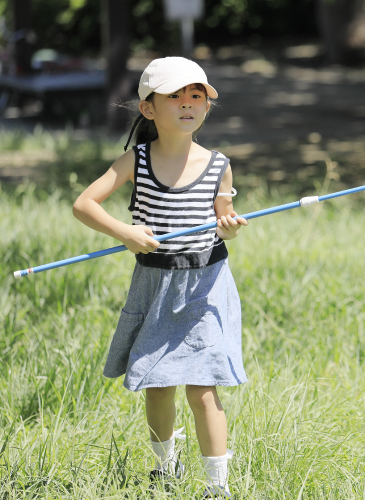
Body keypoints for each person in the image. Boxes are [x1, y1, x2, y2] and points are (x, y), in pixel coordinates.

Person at [72, 57, 247, 499]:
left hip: (206, 285)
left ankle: (216, 486)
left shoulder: (219, 165)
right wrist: (125, 233)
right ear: (148, 109)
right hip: (156, 285)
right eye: (175, 96)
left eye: (197, 95)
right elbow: (84, 205)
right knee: (159, 383)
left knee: (203, 387)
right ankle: (165, 469)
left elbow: (223, 217)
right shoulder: (137, 161)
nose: (188, 104)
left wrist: (228, 225)